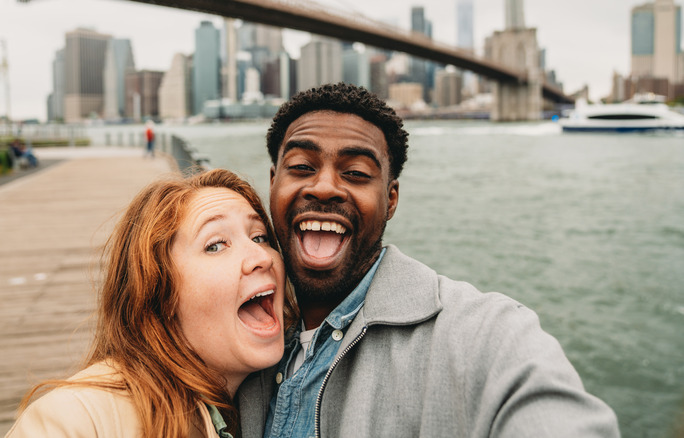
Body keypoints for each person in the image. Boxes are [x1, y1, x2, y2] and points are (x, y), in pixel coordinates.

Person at [236, 83, 621, 437]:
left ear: (391, 199)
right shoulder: (228, 324)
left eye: (355, 173)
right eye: (302, 167)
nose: (324, 187)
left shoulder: (485, 336)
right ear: (272, 182)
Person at [6, 169, 293, 437]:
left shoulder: (279, 400)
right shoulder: (75, 419)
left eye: (260, 237)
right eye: (215, 245)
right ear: (159, 295)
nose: (262, 256)